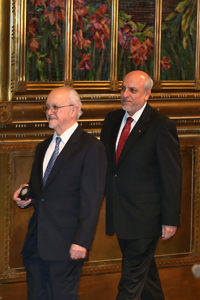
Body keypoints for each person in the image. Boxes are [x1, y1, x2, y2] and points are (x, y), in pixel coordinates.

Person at [13, 86, 106, 300]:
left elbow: (92, 198)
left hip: (66, 244)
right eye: (47, 107)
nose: (49, 112)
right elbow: (43, 190)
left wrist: (82, 241)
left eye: (55, 107)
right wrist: (26, 197)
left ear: (74, 110)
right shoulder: (43, 146)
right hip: (36, 244)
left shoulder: (91, 147)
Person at [100, 70, 182, 300]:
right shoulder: (112, 120)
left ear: (147, 94)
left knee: (130, 283)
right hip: (120, 215)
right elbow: (106, 167)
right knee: (147, 280)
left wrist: (169, 219)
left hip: (146, 218)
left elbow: (171, 176)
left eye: (132, 90)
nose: (125, 94)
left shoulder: (160, 125)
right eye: (123, 88)